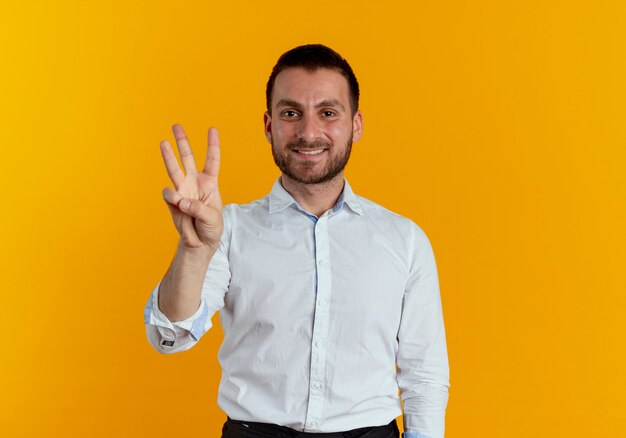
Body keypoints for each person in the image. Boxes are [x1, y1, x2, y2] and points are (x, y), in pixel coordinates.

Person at [144, 44, 450, 438]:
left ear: (355, 124)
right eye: (291, 113)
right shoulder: (228, 230)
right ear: (269, 125)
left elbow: (424, 376)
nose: (308, 132)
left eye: (328, 113)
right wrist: (193, 250)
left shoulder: (404, 240)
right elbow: (171, 336)